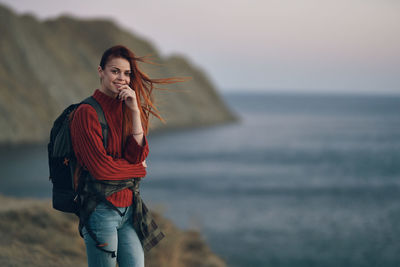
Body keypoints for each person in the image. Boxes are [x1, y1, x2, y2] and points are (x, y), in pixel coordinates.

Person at [69, 45, 181, 267]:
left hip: (130, 211)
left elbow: (137, 153)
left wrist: (135, 112)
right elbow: (102, 169)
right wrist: (139, 168)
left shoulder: (126, 108)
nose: (122, 78)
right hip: (100, 211)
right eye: (115, 71)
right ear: (101, 71)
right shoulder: (86, 113)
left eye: (127, 73)